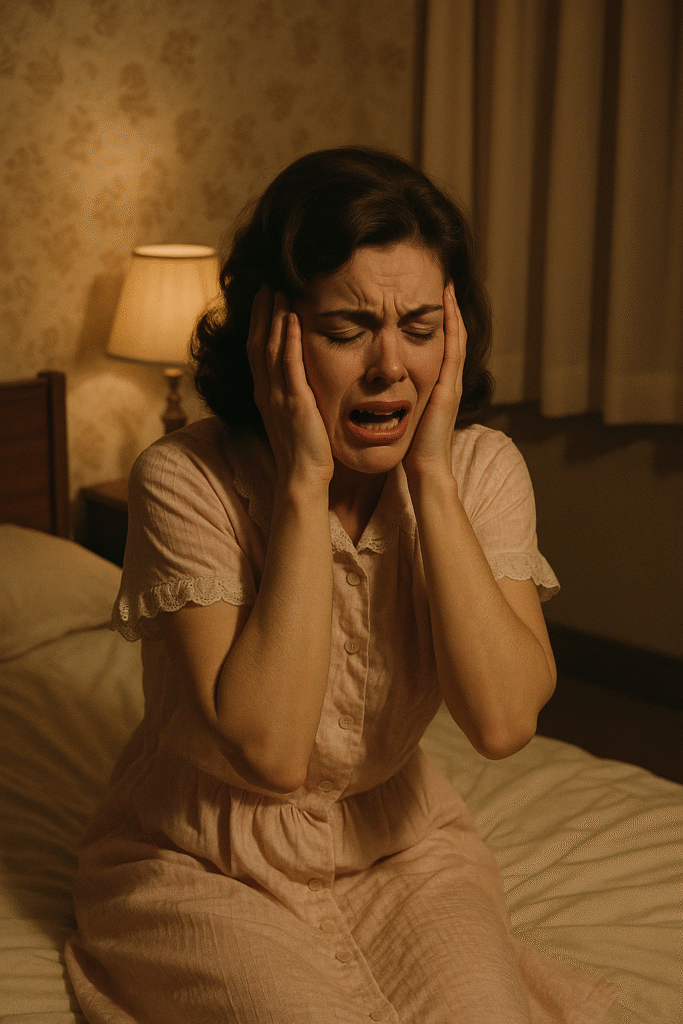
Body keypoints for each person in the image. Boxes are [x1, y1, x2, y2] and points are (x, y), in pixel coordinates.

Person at [65, 147, 616, 1023]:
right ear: (271, 334)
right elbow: (273, 753)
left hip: (401, 846)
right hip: (202, 859)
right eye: (346, 329)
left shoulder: (482, 471)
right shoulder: (184, 479)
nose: (389, 365)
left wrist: (431, 477)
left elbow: (503, 723)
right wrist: (302, 482)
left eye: (420, 328)